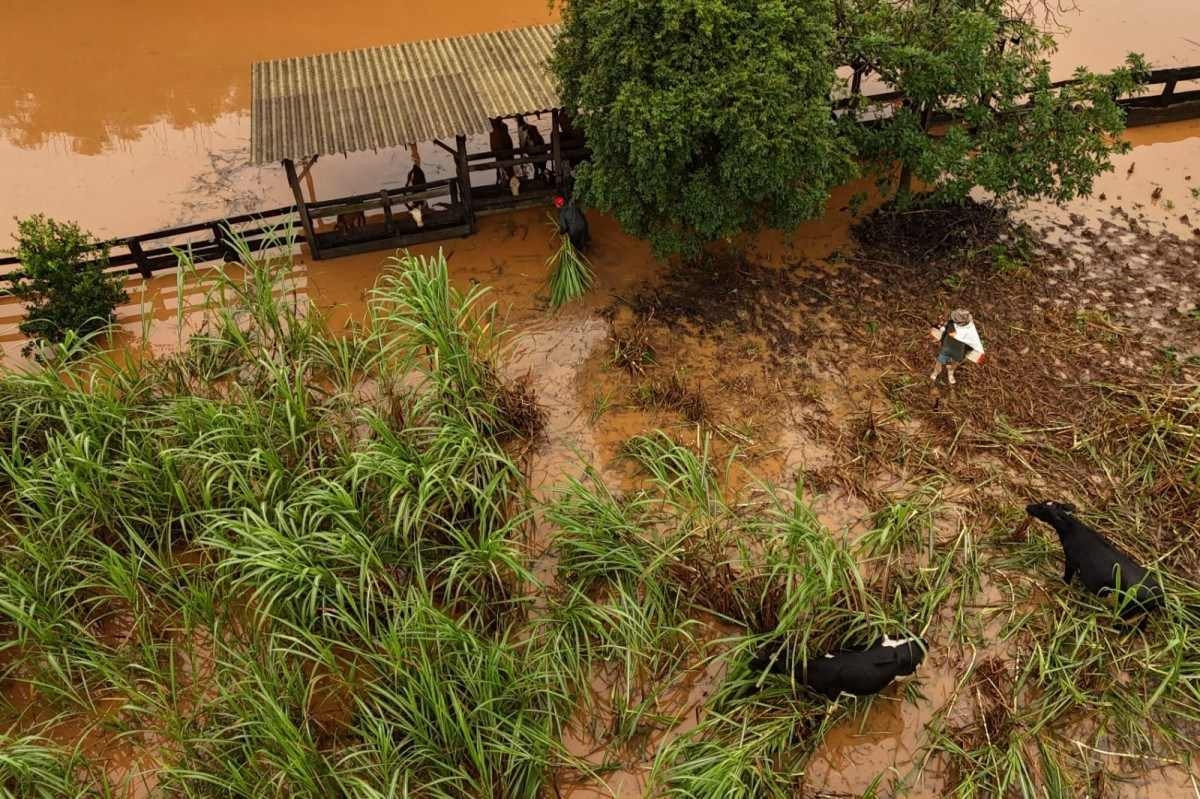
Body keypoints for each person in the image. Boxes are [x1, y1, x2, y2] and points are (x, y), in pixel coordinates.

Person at [929, 308, 983, 385]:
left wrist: (966, 352)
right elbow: (944, 334)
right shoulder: (950, 324)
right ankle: (936, 372)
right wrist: (942, 341)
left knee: (954, 364)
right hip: (947, 348)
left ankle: (950, 373)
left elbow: (971, 344)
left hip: (959, 351)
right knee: (940, 361)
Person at [517, 115, 548, 182]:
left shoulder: (525, 129)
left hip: (536, 150)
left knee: (538, 166)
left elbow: (523, 143)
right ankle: (539, 177)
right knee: (538, 166)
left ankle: (539, 177)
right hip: (536, 150)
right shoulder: (530, 128)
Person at [489, 118, 515, 185]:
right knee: (507, 168)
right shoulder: (500, 127)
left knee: (506, 168)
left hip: (502, 150)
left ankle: (508, 182)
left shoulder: (498, 128)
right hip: (502, 150)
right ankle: (508, 182)